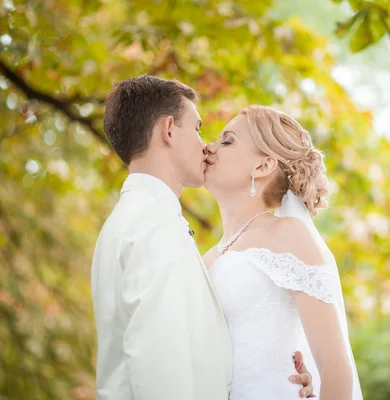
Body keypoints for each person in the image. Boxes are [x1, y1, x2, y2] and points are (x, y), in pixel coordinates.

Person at [91, 75, 313, 399]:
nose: (205, 145)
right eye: (196, 129)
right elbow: (160, 370)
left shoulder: (132, 221)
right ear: (169, 130)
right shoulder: (152, 225)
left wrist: (276, 379)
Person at [202, 105, 363, 399]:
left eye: (227, 141)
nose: (209, 148)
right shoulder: (207, 259)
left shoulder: (288, 235)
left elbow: (335, 365)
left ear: (262, 166)